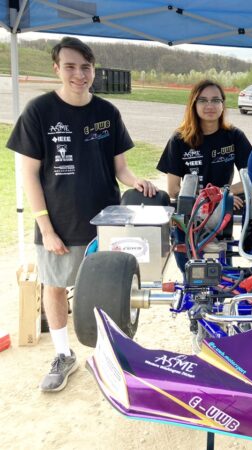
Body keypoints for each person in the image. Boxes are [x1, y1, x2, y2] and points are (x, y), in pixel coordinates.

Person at [6, 37, 157, 392]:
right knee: (55, 287)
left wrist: (137, 180)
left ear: (94, 71)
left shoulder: (107, 112)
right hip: (58, 221)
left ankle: (111, 354)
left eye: (85, 67)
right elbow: (28, 174)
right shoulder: (39, 111)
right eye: (70, 66)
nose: (79, 74)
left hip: (106, 223)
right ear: (56, 68)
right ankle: (62, 354)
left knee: (107, 290)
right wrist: (46, 228)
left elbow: (121, 168)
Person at [157, 79, 252, 209]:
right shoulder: (179, 139)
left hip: (223, 210)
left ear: (223, 104)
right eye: (202, 100)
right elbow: (173, 189)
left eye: (215, 100)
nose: (210, 106)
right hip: (192, 211)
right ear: (193, 105)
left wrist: (222, 194)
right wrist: (210, 198)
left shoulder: (235, 136)